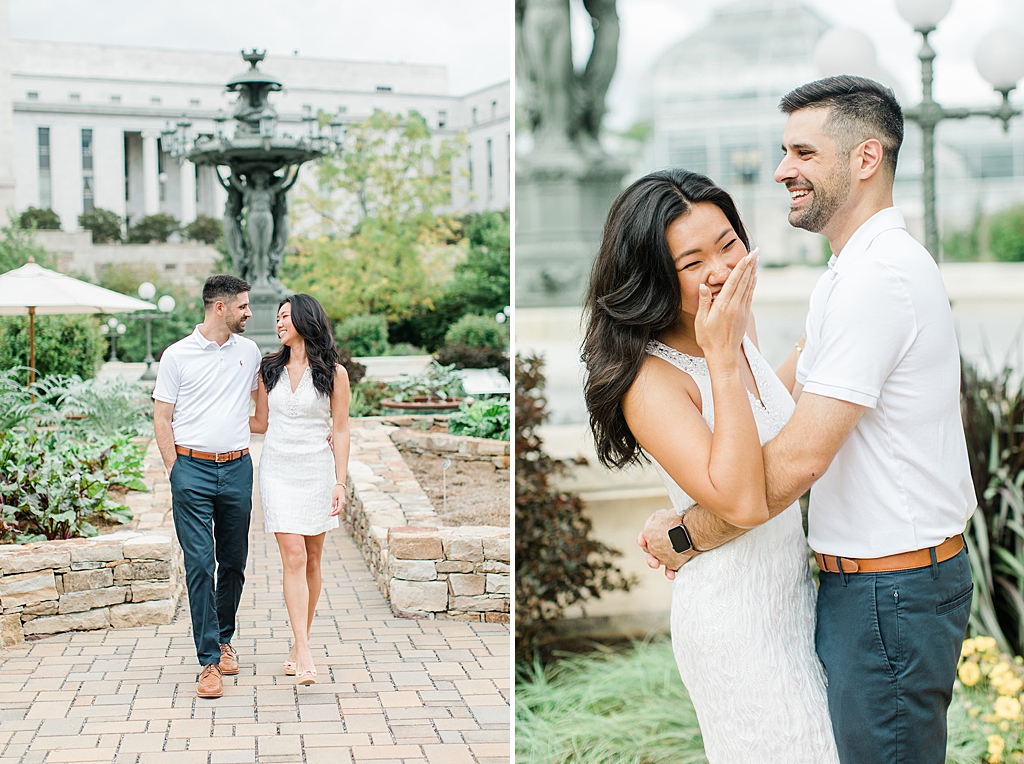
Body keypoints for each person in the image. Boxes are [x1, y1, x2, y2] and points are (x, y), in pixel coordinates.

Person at [640, 76, 977, 764]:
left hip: (889, 592)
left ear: (865, 158)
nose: (781, 170)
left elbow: (796, 461)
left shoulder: (873, 280)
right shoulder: (852, 274)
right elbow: (783, 404)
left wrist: (683, 533)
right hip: (869, 590)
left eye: (803, 151)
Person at [582, 168, 838, 762]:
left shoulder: (730, 327)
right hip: (735, 623)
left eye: (728, 244)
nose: (721, 270)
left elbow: (762, 415)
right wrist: (722, 355)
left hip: (792, 601)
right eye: (693, 262)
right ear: (652, 278)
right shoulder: (651, 380)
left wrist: (819, 337)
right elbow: (742, 499)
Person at [153, 275, 261, 699]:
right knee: (200, 564)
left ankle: (224, 637)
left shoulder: (249, 352)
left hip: (237, 468)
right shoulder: (177, 355)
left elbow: (266, 407)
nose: (249, 313)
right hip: (191, 471)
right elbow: (162, 418)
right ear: (220, 307)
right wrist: (174, 470)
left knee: (233, 562)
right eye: (243, 306)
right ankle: (208, 662)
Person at [249, 294, 351, 686]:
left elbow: (340, 429)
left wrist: (340, 481)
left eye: (285, 317)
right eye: (277, 318)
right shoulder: (268, 369)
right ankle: (305, 651)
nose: (278, 323)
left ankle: (297, 643)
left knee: (311, 559)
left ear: (306, 320)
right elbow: (260, 422)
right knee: (292, 554)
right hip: (276, 469)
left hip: (317, 470)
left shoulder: (334, 374)